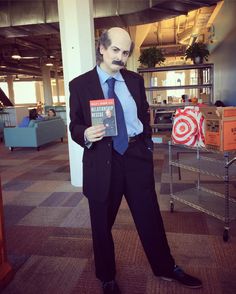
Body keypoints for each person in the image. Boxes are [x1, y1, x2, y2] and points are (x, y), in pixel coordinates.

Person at [69, 27, 202, 294]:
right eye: (115, 50)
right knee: (101, 223)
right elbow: (74, 124)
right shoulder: (80, 85)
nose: (120, 57)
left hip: (135, 157)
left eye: (125, 52)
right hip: (102, 159)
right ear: (102, 48)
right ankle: (106, 276)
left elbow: (143, 115)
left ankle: (165, 267)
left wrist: (146, 147)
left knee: (149, 216)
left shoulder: (134, 80)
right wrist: (84, 133)